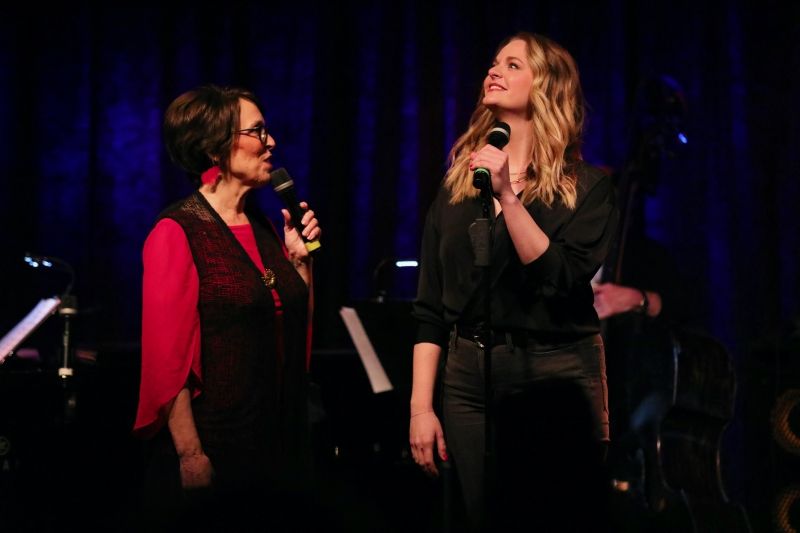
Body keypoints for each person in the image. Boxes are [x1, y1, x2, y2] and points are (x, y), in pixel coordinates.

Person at [409, 32, 619, 531]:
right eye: (493, 63)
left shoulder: (587, 188)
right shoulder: (459, 181)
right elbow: (432, 303)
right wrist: (420, 406)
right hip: (466, 377)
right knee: (482, 517)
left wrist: (508, 195)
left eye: (513, 64)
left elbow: (561, 277)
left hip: (552, 370)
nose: (494, 71)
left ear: (546, 87)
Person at [132, 84, 321, 531]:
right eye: (257, 131)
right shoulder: (178, 230)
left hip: (279, 441)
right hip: (220, 447)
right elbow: (167, 359)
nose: (271, 142)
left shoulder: (262, 224)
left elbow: (292, 329)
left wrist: (300, 264)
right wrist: (191, 455)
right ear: (214, 146)